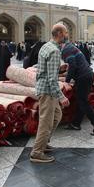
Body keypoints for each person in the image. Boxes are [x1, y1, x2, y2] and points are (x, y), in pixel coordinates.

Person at [30, 24, 70, 163]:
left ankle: (43, 143)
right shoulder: (54, 51)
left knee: (56, 116)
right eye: (65, 32)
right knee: (46, 123)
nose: (67, 35)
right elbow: (52, 80)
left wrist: (59, 68)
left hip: (46, 89)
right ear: (59, 33)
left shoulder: (47, 46)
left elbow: (45, 69)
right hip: (48, 91)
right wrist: (62, 97)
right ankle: (37, 152)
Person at [62, 41, 94, 135]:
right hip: (86, 75)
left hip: (83, 77)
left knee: (83, 102)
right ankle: (76, 124)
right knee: (81, 101)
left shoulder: (67, 49)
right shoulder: (70, 47)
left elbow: (72, 65)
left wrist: (66, 81)